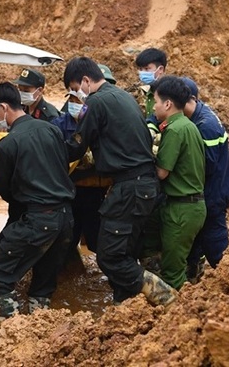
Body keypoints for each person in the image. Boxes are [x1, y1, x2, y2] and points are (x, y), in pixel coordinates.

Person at [63, 57, 177, 307]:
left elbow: (77, 146)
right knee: (126, 251)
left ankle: (167, 298)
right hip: (143, 185)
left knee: (109, 256)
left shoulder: (95, 102)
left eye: (74, 88)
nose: (75, 95)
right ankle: (126, 307)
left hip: (129, 187)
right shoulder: (123, 96)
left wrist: (48, 150)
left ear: (85, 80)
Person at [0, 83, 76, 320]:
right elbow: (62, 166)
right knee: (44, 276)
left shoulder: (8, 143)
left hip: (38, 219)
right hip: (65, 218)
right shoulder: (50, 129)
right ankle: (40, 322)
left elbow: (0, 186)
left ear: (2, 107)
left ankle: (15, 330)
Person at [150, 76, 207, 289]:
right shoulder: (188, 125)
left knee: (173, 271)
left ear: (167, 103)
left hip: (182, 208)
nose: (154, 107)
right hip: (190, 206)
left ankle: (180, 316)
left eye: (155, 101)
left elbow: (162, 172)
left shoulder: (174, 130)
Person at [178, 77, 229, 279]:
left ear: (189, 100)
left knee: (215, 244)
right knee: (196, 244)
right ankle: (194, 279)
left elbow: (205, 166)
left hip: (212, 195)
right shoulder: (201, 116)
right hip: (211, 192)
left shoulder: (205, 125)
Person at [51, 90, 111, 256]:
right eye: (71, 99)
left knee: (97, 241)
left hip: (98, 192)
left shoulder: (103, 123)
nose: (74, 103)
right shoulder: (59, 124)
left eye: (78, 100)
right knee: (68, 239)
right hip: (71, 191)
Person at [134, 48, 168, 116]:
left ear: (160, 69)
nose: (143, 73)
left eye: (147, 69)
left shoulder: (169, 94)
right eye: (140, 69)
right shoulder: (147, 93)